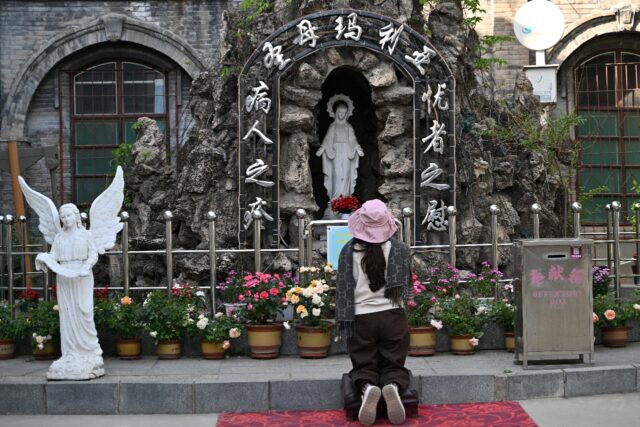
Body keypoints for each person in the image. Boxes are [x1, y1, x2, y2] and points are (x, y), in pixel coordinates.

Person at [336, 199, 412, 425]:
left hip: (361, 318)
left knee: (363, 363)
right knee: (394, 362)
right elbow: (406, 284)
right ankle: (393, 386)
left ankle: (367, 387)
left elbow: (342, 287)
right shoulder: (399, 249)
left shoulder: (348, 250)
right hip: (393, 315)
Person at [35, 203, 104, 380]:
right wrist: (43, 258)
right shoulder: (59, 238)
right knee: (67, 314)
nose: (66, 219)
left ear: (76, 216)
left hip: (82, 276)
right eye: (63, 217)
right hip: (64, 276)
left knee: (84, 311)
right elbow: (54, 257)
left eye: (68, 216)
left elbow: (93, 254)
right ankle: (70, 353)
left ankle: (91, 352)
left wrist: (85, 267)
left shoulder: (86, 235)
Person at [316, 95, 364, 216]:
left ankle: (346, 200)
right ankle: (335, 199)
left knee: (346, 175)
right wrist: (321, 149)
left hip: (347, 153)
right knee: (337, 175)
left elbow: (353, 140)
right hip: (336, 153)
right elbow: (328, 139)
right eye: (339, 112)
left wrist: (358, 148)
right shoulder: (333, 126)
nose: (341, 115)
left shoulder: (348, 127)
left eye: (344, 112)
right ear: (336, 113)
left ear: (347, 113)